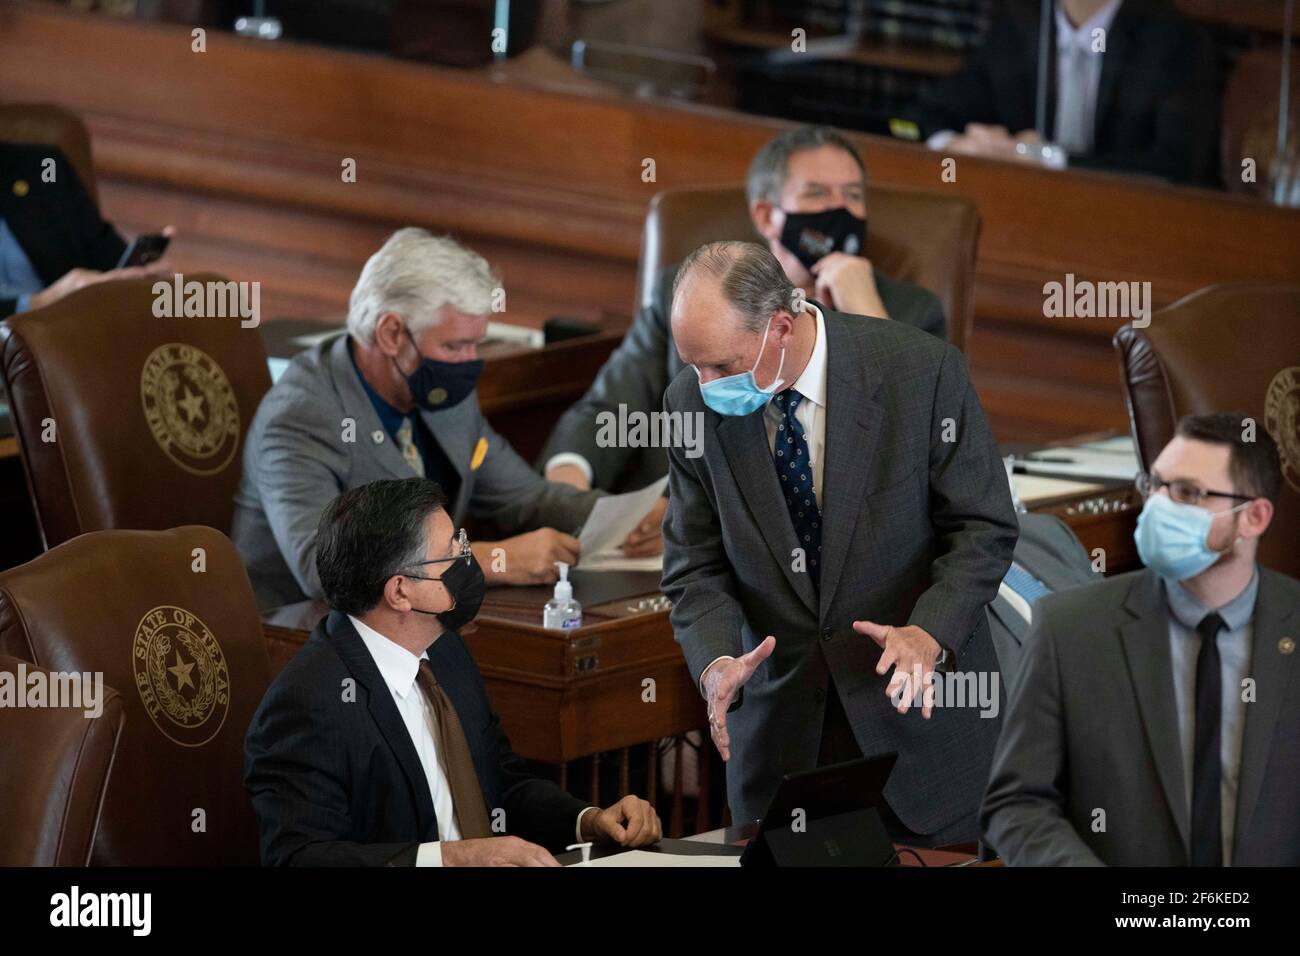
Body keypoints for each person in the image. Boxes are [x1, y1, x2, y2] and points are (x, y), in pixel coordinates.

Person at [661, 241, 1018, 845]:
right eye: (693, 366)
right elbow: (694, 565)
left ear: (781, 326)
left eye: (720, 366)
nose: (705, 384)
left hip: (921, 735)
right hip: (782, 747)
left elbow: (982, 528)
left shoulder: (920, 372)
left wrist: (929, 632)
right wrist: (716, 661)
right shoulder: (689, 404)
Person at [244, 477, 662, 866]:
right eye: (453, 553)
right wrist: (453, 857)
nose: (469, 563)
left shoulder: (445, 650)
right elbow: (300, 857)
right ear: (400, 591)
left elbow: (502, 783)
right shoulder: (308, 702)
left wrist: (588, 819)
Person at [233, 228, 658, 609]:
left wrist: (637, 515)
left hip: (417, 625)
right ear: (391, 333)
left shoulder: (441, 393)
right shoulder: (302, 415)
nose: (470, 364)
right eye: (455, 347)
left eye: (477, 344)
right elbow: (322, 571)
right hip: (305, 638)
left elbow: (526, 499)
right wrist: (495, 559)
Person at [540, 125, 946, 497]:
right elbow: (612, 410)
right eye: (817, 193)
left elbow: (920, 450)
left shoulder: (911, 312)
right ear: (767, 216)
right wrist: (568, 489)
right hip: (678, 526)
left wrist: (867, 311)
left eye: (853, 195)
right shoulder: (683, 294)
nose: (840, 210)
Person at [981, 413, 1299, 865]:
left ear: (1254, 516)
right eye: (1155, 485)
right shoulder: (1070, 628)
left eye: (1188, 493)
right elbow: (1016, 806)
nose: (1160, 507)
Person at [906, 0, 1219, 186]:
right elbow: (921, 117)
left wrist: (1047, 159)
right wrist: (960, 144)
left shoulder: (1174, 40)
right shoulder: (1019, 22)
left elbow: (1180, 167)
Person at [0, 141, 168, 317]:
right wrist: (41, 302)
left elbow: (103, 252)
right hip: (39, 327)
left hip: (70, 331)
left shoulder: (44, 164)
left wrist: (140, 273)